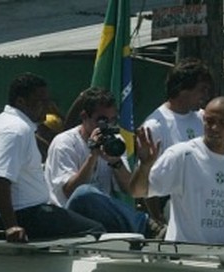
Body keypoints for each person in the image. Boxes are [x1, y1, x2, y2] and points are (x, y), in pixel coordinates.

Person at [132, 97, 224, 258]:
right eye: (209, 121)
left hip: (222, 261)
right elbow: (138, 191)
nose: (215, 128)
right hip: (183, 260)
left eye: (223, 123)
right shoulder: (182, 155)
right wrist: (145, 165)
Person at [0, 72, 105, 242]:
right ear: (20, 102)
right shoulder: (16, 130)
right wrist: (11, 226)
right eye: (41, 101)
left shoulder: (0, 121)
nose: (48, 107)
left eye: (48, 100)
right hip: (18, 217)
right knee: (96, 230)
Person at [44, 86, 150, 235]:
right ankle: (145, 226)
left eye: (113, 120)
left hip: (99, 219)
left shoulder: (115, 140)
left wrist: (116, 162)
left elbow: (130, 190)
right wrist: (92, 156)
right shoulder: (65, 143)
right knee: (84, 192)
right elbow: (70, 192)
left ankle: (146, 227)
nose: (107, 126)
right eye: (102, 121)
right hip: (68, 218)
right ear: (84, 116)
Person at [140, 58, 214, 226]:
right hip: (173, 201)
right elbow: (146, 178)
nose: (205, 96)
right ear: (182, 89)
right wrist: (157, 219)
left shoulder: (204, 119)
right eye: (201, 90)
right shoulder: (155, 126)